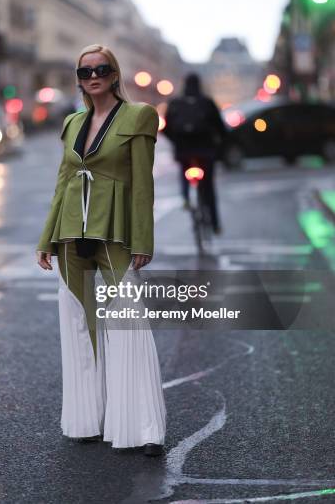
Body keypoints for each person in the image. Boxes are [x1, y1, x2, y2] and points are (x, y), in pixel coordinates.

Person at [36, 44, 166, 456]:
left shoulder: (139, 116)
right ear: (78, 78)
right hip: (71, 232)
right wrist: (46, 239)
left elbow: (143, 184)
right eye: (85, 70)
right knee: (79, 325)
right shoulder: (72, 122)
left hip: (116, 231)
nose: (93, 75)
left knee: (127, 323)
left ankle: (144, 429)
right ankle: (86, 420)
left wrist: (143, 240)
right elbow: (63, 182)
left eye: (101, 69)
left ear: (114, 74)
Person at [163, 73, 227, 233]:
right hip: (206, 150)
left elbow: (166, 129)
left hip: (183, 150)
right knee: (209, 188)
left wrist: (176, 141)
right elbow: (220, 126)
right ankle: (215, 224)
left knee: (184, 170)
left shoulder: (175, 103)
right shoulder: (207, 102)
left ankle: (185, 198)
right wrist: (220, 142)